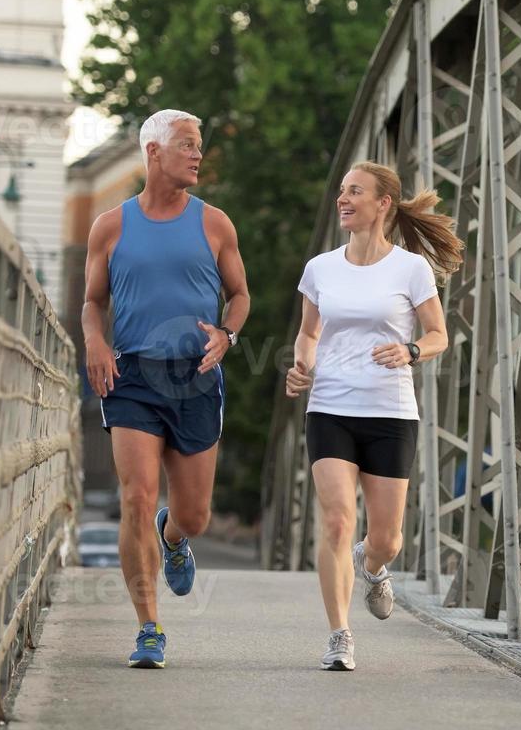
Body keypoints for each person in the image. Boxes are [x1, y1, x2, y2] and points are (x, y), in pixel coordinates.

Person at [82, 108, 250, 669]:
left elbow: (241, 295)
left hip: (195, 377)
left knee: (195, 515)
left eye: (199, 145)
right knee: (134, 496)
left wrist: (228, 333)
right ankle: (149, 627)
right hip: (132, 376)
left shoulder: (216, 223)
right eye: (188, 145)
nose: (198, 155)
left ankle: (173, 537)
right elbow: (92, 302)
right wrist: (95, 343)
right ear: (154, 152)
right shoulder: (110, 226)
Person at [286, 161, 462, 671]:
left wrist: (410, 351)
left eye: (355, 192)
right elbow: (309, 333)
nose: (344, 199)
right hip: (331, 409)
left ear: (383, 203)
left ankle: (374, 563)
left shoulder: (410, 269)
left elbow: (438, 335)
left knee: (385, 537)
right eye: (341, 191)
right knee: (338, 521)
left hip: (390, 412)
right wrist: (302, 367)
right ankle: (340, 634)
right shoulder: (321, 268)